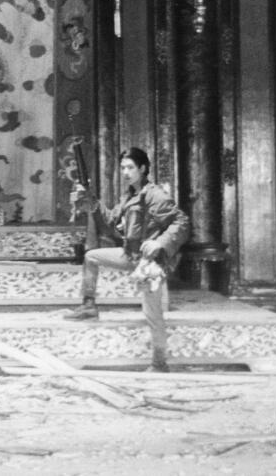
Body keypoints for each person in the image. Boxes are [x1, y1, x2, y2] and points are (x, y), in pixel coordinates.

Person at [65, 146, 189, 372]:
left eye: (130, 167)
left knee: (152, 314)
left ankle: (159, 363)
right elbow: (110, 223)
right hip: (130, 254)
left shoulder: (155, 194)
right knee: (91, 256)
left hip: (150, 262)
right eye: (122, 168)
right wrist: (91, 202)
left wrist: (160, 243)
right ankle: (89, 305)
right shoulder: (129, 196)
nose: (125, 172)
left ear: (143, 168)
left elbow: (181, 222)